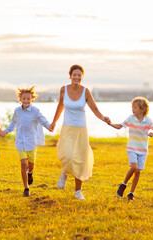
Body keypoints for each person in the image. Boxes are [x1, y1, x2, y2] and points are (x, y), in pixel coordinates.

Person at [48, 64, 111, 200]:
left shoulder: (86, 91)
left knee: (81, 159)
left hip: (81, 129)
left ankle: (78, 191)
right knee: (69, 155)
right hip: (67, 128)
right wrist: (54, 122)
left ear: (82, 77)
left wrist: (103, 118)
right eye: (74, 75)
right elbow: (60, 105)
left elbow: (95, 109)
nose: (76, 77)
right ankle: (65, 172)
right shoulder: (63, 89)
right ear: (70, 76)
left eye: (79, 75)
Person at [0, 86, 52, 197]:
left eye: (28, 99)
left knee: (31, 165)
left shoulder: (35, 111)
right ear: (20, 99)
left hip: (31, 141)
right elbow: (13, 123)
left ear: (32, 99)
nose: (26, 101)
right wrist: (6, 131)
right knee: (23, 163)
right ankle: (26, 188)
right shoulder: (17, 111)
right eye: (24, 98)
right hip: (20, 141)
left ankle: (30, 172)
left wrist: (49, 126)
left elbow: (43, 120)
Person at [110, 96, 153, 201]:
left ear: (142, 109)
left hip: (143, 150)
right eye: (132, 107)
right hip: (132, 148)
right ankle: (123, 185)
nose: (133, 109)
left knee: (138, 172)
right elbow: (120, 126)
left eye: (135, 107)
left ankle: (131, 193)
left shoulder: (147, 120)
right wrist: (110, 123)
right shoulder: (131, 118)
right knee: (134, 167)